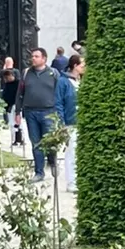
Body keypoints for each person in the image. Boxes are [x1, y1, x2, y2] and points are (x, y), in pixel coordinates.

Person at [15, 47, 60, 182]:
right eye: (32, 56)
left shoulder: (53, 73)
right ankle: (39, 172)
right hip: (31, 112)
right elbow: (20, 94)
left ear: (44, 59)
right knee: (36, 143)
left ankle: (52, 161)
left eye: (36, 56)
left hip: (49, 111)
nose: (33, 58)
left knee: (50, 140)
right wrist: (18, 111)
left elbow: (59, 92)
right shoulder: (26, 73)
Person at [55, 54, 85, 192]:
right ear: (75, 66)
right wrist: (61, 122)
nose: (84, 68)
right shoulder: (63, 82)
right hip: (70, 121)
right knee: (71, 152)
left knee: (81, 152)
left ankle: (81, 179)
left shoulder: (82, 81)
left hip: (82, 122)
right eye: (82, 65)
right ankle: (71, 181)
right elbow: (58, 102)